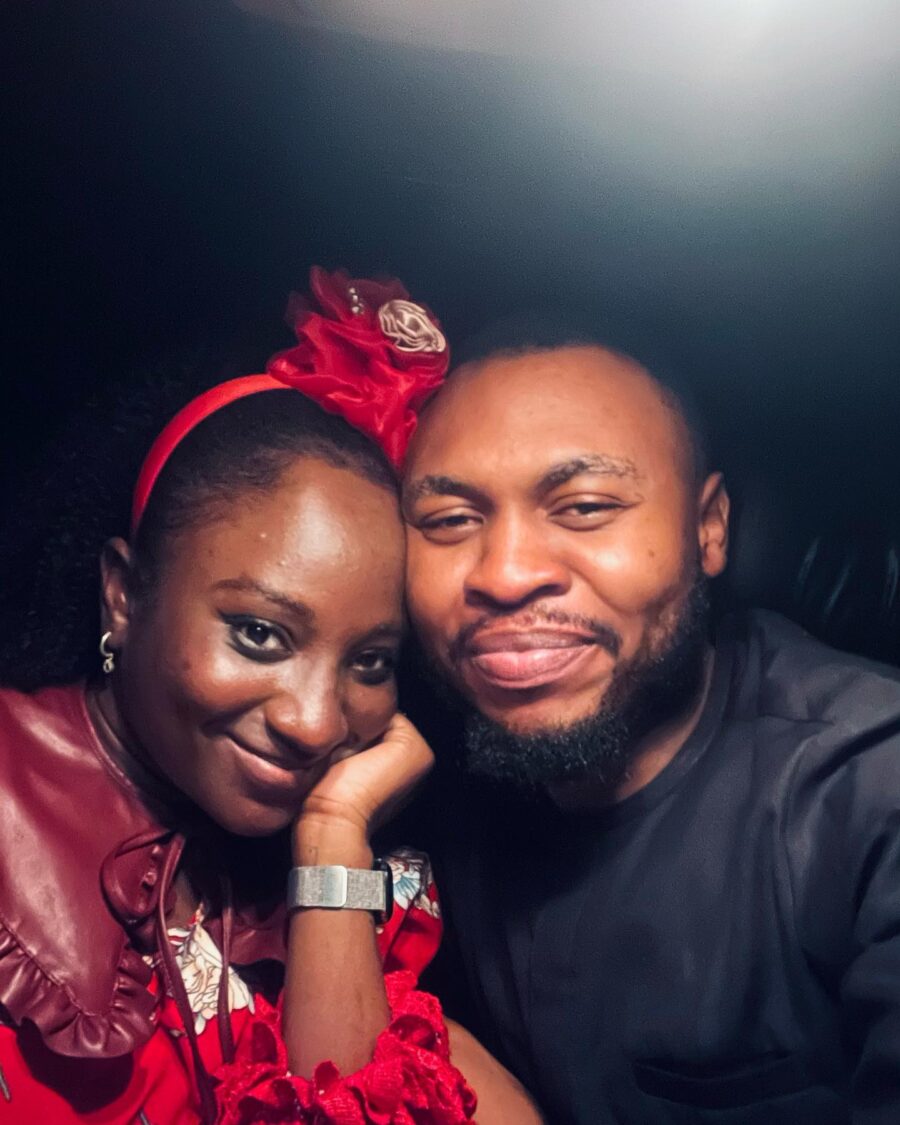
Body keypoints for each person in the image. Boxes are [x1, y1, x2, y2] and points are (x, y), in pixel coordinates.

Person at [0, 269, 541, 1125]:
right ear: (123, 594)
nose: (314, 722)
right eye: (259, 633)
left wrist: (333, 833)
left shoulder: (335, 871)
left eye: (370, 661)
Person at [401, 318, 900, 1124]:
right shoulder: (423, 769)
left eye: (584, 507)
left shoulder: (869, 788)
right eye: (451, 520)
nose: (506, 573)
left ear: (709, 528)